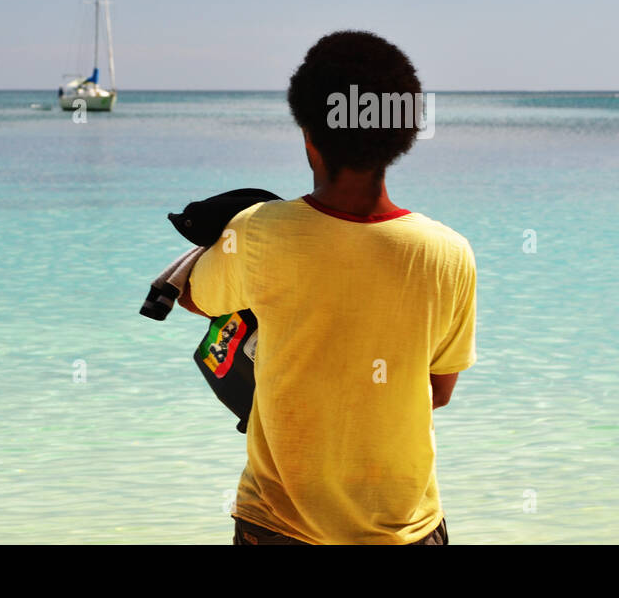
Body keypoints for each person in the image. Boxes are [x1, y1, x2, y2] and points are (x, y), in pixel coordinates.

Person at [178, 30, 477, 545]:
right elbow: (438, 391)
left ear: (308, 136)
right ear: (399, 140)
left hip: (277, 526)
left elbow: (192, 298)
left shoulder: (258, 231)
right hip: (405, 528)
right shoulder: (448, 253)